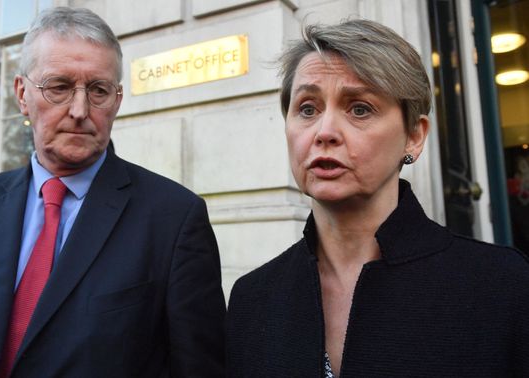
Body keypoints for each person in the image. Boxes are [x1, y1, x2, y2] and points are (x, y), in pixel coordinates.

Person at [0, 7, 225, 377]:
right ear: (22, 94)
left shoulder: (174, 220)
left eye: (98, 90)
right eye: (59, 87)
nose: (79, 109)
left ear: (117, 101)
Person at [226, 19, 529, 377]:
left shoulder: (502, 286)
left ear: (414, 135)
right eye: (308, 108)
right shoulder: (252, 299)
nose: (325, 132)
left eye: (359, 108)